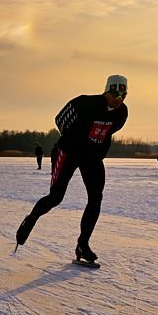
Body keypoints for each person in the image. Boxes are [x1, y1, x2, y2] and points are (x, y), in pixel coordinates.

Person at [15, 74, 129, 264]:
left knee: (96, 198)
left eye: (123, 96)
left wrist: (94, 148)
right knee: (56, 197)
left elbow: (110, 131)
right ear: (106, 91)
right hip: (68, 152)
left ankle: (83, 245)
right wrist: (73, 140)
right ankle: (31, 218)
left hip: (92, 157)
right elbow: (60, 119)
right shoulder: (84, 103)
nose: (119, 100)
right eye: (115, 95)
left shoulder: (122, 113)